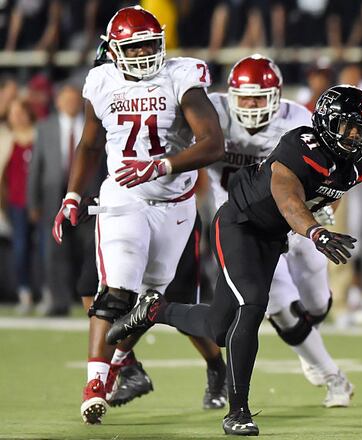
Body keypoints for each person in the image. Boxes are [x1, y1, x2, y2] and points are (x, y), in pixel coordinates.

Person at [107, 85, 362, 436]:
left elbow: (327, 194)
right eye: (347, 127)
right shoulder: (300, 145)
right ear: (327, 122)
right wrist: (315, 233)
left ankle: (155, 310)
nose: (354, 136)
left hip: (273, 237)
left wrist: (321, 219)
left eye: (360, 129)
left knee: (220, 329)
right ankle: (238, 412)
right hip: (240, 223)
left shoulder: (359, 165)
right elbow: (288, 198)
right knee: (252, 305)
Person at [50, 6, 224, 424]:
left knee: (149, 301)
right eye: (135, 45)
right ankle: (96, 382)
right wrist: (72, 194)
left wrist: (163, 165)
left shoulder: (182, 76)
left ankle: (124, 362)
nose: (146, 52)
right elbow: (90, 145)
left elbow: (213, 142)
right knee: (116, 289)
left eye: (151, 42)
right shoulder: (102, 81)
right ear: (114, 50)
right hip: (123, 197)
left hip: (175, 204)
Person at [205, 54, 354, 407]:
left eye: (261, 97)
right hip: (243, 224)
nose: (253, 106)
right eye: (246, 98)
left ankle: (307, 341)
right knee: (280, 306)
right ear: (230, 96)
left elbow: (333, 178)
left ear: (277, 96)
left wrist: (322, 215)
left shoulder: (298, 119)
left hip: (298, 219)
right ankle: (334, 377)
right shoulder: (211, 112)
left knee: (317, 303)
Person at [27, 84, 84, 316]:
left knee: (87, 248)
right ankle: (59, 301)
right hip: (53, 195)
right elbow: (36, 167)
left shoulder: (94, 125)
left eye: (74, 99)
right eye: (66, 99)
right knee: (54, 250)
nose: (70, 104)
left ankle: (85, 297)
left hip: (86, 196)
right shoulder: (45, 126)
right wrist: (34, 202)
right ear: (58, 101)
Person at [1, 99, 37, 314]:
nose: (17, 117)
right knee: (20, 248)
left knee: (44, 249)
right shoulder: (5, 139)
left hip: (39, 203)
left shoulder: (39, 136)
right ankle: (25, 292)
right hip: (15, 203)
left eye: (20, 112)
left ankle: (47, 290)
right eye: (13, 112)